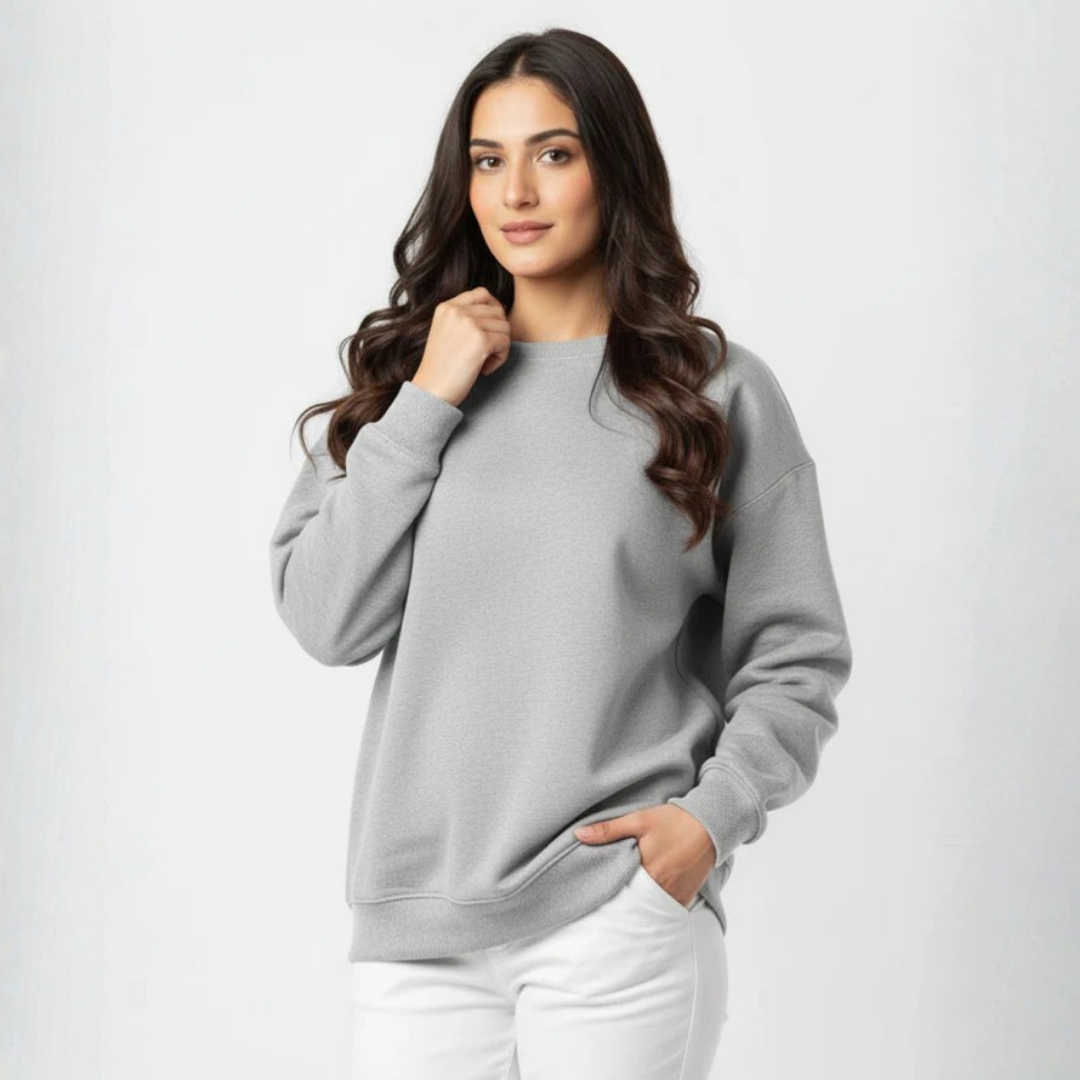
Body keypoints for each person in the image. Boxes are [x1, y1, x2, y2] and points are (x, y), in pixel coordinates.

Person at [268, 27, 853, 1080]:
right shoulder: (404, 386)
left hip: (612, 908)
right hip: (416, 930)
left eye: (555, 152)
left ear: (612, 167)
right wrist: (430, 397)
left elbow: (796, 654)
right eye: (488, 160)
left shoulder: (712, 392)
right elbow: (325, 619)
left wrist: (705, 825)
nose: (517, 192)